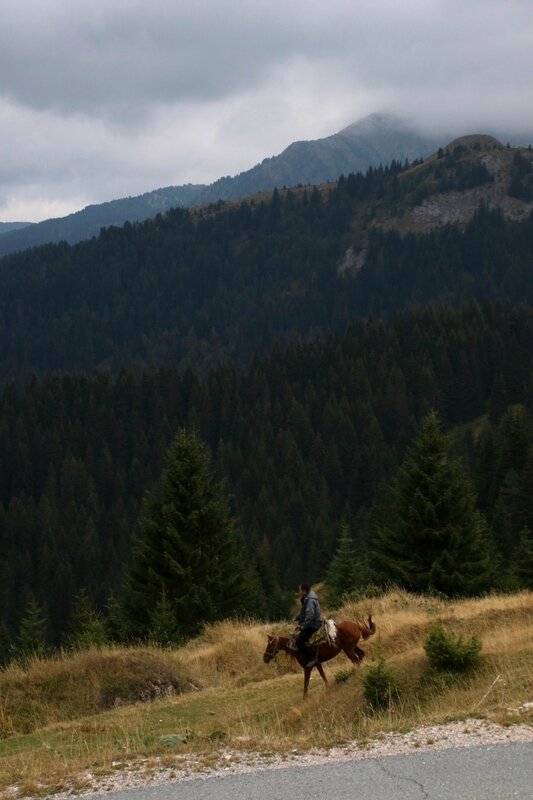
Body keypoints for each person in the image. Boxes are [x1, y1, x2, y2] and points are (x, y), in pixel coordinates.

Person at [294, 583, 322, 668]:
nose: (299, 592)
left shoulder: (310, 600)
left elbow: (310, 615)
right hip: (312, 622)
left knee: (299, 641)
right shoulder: (307, 598)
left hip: (313, 623)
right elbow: (303, 611)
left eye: (300, 590)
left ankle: (312, 658)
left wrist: (303, 626)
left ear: (304, 591)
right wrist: (297, 617)